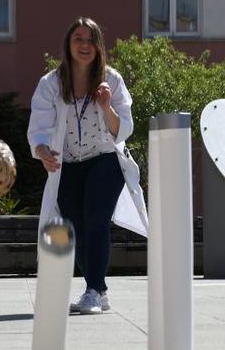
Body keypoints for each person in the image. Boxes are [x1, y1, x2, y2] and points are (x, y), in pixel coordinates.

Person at [28, 17, 148, 315]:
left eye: (90, 39)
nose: (84, 45)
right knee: (74, 229)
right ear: (68, 45)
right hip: (66, 164)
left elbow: (124, 129)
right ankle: (100, 289)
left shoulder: (112, 80)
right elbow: (39, 128)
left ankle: (92, 291)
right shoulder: (50, 84)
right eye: (78, 39)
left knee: (96, 219)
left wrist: (106, 106)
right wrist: (42, 150)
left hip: (105, 160)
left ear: (98, 46)